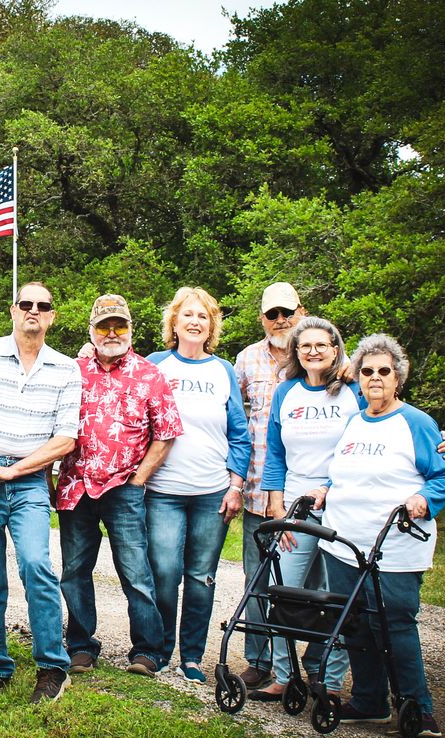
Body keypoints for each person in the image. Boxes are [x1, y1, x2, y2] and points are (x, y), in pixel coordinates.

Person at [317, 334, 445, 738]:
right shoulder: (354, 420)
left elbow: (444, 476)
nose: (375, 378)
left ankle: (418, 707)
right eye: (367, 371)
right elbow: (340, 471)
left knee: (394, 624)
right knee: (354, 624)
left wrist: (422, 498)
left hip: (393, 545)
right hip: (343, 543)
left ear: (398, 377)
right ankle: (369, 701)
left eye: (384, 371)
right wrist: (325, 490)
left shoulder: (416, 422)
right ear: (358, 378)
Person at [0, 282, 82, 704]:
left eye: (43, 306)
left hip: (27, 481)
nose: (33, 311)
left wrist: (15, 471)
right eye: (26, 304)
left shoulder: (66, 368)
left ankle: (51, 666)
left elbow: (65, 439)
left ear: (51, 316)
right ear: (13, 310)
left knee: (36, 566)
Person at [56, 294, 183, 678]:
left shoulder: (149, 374)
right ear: (91, 331)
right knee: (75, 570)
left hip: (124, 486)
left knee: (135, 571)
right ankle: (80, 645)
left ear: (130, 329)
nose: (112, 333)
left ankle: (147, 650)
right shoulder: (70, 371)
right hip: (75, 485)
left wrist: (140, 478)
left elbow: (166, 433)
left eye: (119, 326)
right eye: (103, 327)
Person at [247, 317, 362, 702]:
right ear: (296, 352)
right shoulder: (286, 392)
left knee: (337, 597)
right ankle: (283, 675)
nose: (313, 351)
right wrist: (277, 506)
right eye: (305, 345)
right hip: (296, 508)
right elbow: (275, 454)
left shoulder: (353, 390)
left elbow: (379, 430)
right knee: (284, 591)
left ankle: (328, 682)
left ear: (335, 349)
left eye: (321, 345)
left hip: (341, 506)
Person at [144, 287, 251, 685]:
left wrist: (235, 484)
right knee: (166, 571)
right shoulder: (155, 365)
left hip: (211, 492)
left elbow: (239, 434)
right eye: (187, 314)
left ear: (212, 325)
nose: (194, 321)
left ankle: (191, 656)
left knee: (202, 577)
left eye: (203, 316)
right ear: (174, 322)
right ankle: (157, 651)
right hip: (163, 491)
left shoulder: (222, 370)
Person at [232, 282, 308, 689]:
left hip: (309, 497)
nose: (280, 320)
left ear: (301, 310)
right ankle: (259, 660)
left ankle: (311, 664)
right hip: (259, 491)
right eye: (272, 314)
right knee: (257, 579)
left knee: (306, 584)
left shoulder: (322, 355)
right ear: (262, 319)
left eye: (287, 312)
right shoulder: (247, 360)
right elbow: (232, 419)